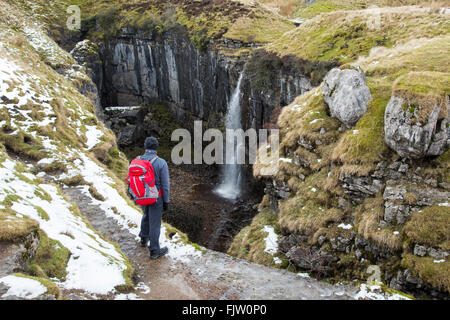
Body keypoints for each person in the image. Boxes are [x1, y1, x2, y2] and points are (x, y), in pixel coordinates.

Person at [138, 136, 170, 259]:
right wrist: (166, 201)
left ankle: (143, 238)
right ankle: (154, 250)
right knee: (155, 223)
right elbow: (165, 185)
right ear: (156, 148)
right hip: (156, 197)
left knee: (146, 215)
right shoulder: (161, 162)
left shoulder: (138, 160)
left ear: (145, 147)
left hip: (142, 195)